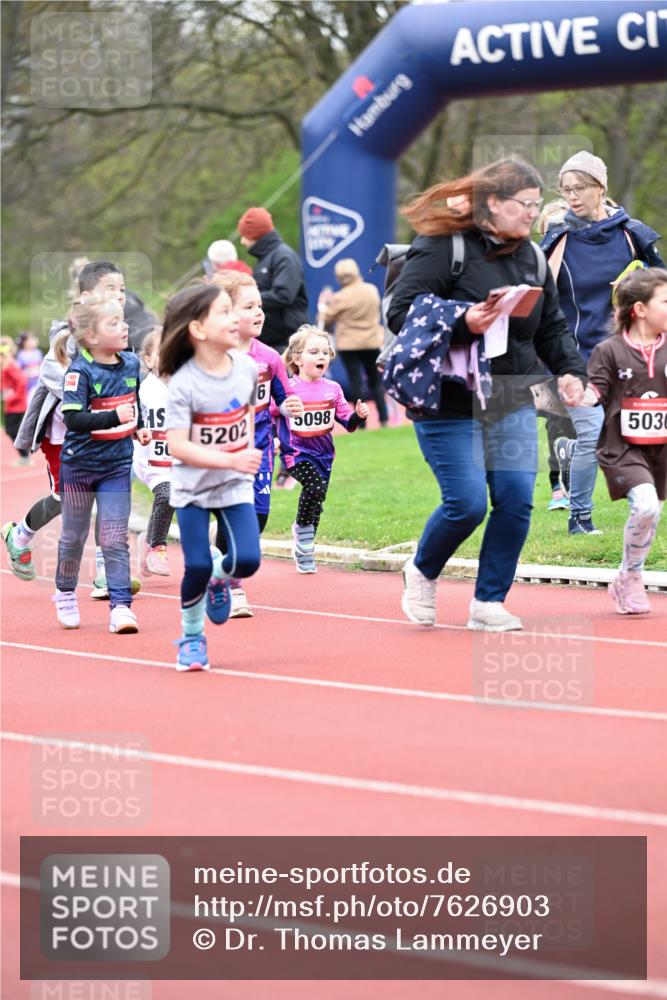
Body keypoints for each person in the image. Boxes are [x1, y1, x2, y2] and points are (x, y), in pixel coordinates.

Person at [387, 157, 587, 632]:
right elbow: (401, 312)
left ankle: (488, 602)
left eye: (538, 206)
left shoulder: (533, 257)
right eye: (524, 205)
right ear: (493, 203)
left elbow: (553, 327)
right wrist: (463, 319)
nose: (531, 215)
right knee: (467, 503)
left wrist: (571, 370)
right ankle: (422, 568)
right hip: (448, 398)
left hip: (511, 395)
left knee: (517, 499)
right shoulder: (446, 247)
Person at [541, 150, 664, 535]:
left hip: (624, 352)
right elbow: (537, 297)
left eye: (580, 188)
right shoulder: (558, 238)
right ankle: (580, 519)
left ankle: (639, 509)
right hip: (574, 355)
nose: (572, 196)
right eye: (565, 190)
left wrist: (637, 286)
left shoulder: (632, 234)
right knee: (594, 432)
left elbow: (660, 284)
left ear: (601, 188)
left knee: (631, 434)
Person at [5, 261, 141, 599]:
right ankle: (20, 534)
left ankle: (105, 573)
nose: (120, 296)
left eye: (122, 290)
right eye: (111, 289)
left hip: (108, 433)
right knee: (67, 499)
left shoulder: (118, 333)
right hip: (65, 435)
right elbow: (59, 382)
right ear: (86, 296)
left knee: (107, 497)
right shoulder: (64, 338)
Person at [161, 283, 262, 671]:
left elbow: (247, 417)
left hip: (234, 486)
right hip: (192, 490)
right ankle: (191, 637)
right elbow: (177, 446)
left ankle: (222, 578)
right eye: (224, 312)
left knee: (248, 561)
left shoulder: (248, 368)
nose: (234, 318)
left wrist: (246, 457)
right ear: (198, 330)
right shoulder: (184, 384)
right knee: (197, 566)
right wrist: (229, 460)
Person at [53, 294, 150, 633]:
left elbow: (134, 402)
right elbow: (74, 420)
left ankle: (121, 606)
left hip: (116, 465)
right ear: (91, 337)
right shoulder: (80, 372)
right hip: (79, 467)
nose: (124, 326)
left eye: (123, 320)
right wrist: (112, 418)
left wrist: (139, 428)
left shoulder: (133, 364)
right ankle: (65, 593)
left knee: (113, 536)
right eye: (114, 323)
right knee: (74, 537)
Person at [210, 271, 303, 616]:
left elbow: (285, 397)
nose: (259, 312)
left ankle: (225, 568)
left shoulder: (270, 358)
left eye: (260, 305)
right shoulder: (212, 355)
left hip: (260, 450)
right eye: (249, 306)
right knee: (231, 516)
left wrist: (290, 406)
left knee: (258, 518)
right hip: (222, 450)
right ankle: (231, 585)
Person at [581, 267, 667, 613]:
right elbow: (595, 391)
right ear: (640, 309)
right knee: (645, 504)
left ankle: (627, 575)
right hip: (622, 447)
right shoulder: (609, 350)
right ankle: (631, 575)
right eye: (666, 300)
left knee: (653, 511)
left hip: (661, 448)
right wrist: (577, 396)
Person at [276, 326, 369, 573]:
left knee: (317, 499)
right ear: (297, 358)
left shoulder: (333, 389)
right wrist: (275, 429)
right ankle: (303, 536)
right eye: (313, 352)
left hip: (324, 455)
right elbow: (270, 411)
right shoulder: (286, 387)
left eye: (325, 352)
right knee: (314, 487)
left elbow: (347, 423)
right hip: (295, 453)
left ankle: (305, 542)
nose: (321, 357)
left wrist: (358, 417)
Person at [317, 258, 389, 428]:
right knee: (375, 381)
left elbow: (326, 320)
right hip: (372, 341)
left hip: (349, 345)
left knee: (356, 381)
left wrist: (323, 307)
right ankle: (384, 419)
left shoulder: (340, 297)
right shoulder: (371, 290)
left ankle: (361, 423)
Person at [237, 207, 309, 353]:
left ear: (255, 234)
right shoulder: (266, 258)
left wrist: (245, 302)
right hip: (271, 339)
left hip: (285, 340)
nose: (242, 241)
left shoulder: (284, 257)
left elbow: (284, 295)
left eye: (244, 235)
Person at [134, 328, 174, 577]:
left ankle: (147, 540)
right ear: (149, 360)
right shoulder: (144, 389)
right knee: (168, 494)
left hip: (180, 458)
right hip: (151, 460)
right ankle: (156, 547)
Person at [0, 338, 29, 465]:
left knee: (13, 430)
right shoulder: (4, 367)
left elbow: (22, 382)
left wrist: (13, 396)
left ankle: (24, 455)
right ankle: (24, 454)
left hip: (17, 405)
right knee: (9, 430)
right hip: (10, 405)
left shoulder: (11, 366)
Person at [15, 331, 44, 403]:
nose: (35, 340)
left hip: (39, 383)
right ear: (25, 342)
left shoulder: (38, 352)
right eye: (31, 339)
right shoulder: (21, 355)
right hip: (28, 386)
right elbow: (19, 371)